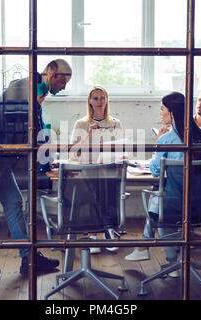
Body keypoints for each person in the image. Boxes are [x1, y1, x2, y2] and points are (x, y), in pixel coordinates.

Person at [0, 59, 72, 278]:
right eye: (62, 79)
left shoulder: (32, 94)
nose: (64, 86)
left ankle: (27, 258)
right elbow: (33, 130)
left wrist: (47, 162)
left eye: (67, 81)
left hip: (0, 158)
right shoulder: (24, 87)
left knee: (14, 202)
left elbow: (33, 132)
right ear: (49, 72)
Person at [125, 92, 201, 277]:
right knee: (161, 197)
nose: (160, 113)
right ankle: (145, 247)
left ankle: (169, 261)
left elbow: (155, 171)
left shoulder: (167, 139)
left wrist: (157, 144)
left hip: (175, 202)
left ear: (172, 113)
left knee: (160, 204)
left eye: (162, 109)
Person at [69, 86, 124, 253]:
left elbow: (121, 149)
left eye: (102, 98)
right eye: (95, 98)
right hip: (88, 170)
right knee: (91, 194)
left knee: (109, 194)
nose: (99, 101)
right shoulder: (81, 123)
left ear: (107, 100)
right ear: (89, 101)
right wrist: (89, 136)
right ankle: (93, 234)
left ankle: (108, 232)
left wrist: (121, 156)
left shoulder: (115, 123)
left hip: (108, 170)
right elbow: (73, 154)